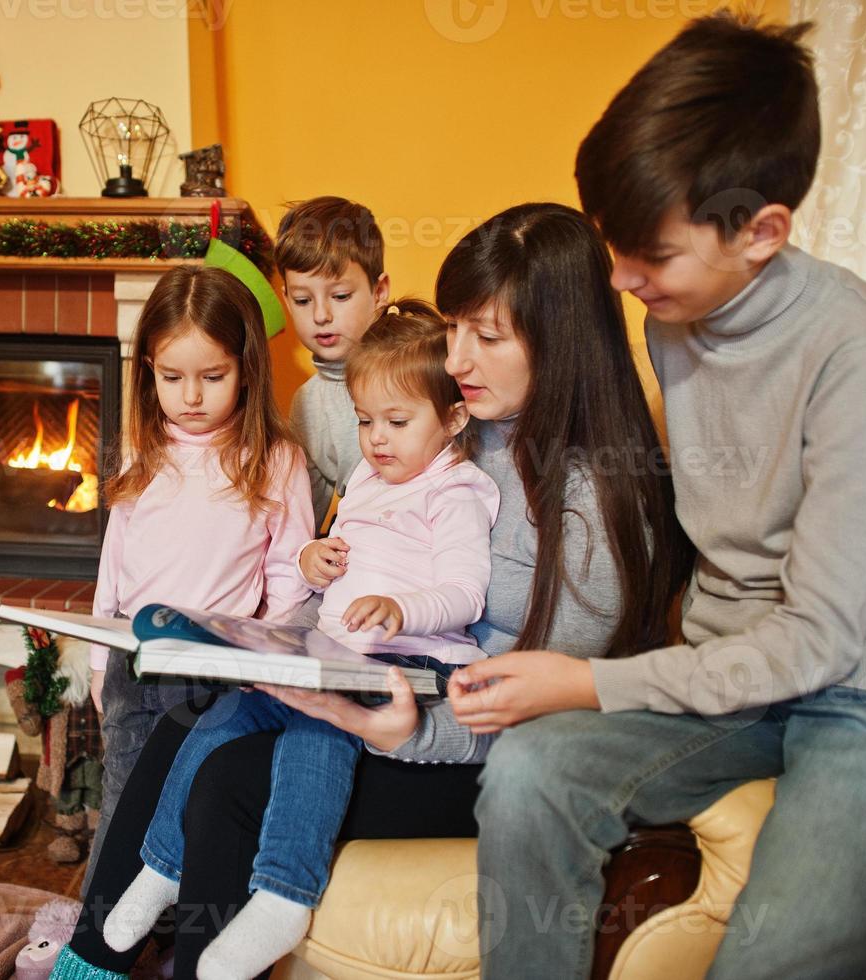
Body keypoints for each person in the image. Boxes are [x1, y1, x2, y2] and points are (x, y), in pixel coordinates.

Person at [459, 13, 866, 978]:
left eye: (649, 256)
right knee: (532, 772)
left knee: (774, 960)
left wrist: (584, 680)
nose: (619, 281)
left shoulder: (862, 358)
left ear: (761, 232)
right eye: (611, 246)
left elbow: (817, 640)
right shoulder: (677, 317)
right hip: (733, 680)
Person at [49, 203, 690, 979]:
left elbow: (540, 718)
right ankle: (92, 959)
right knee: (195, 717)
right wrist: (280, 640)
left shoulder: (594, 504)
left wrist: (407, 732)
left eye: (485, 337)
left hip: (479, 746)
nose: (456, 359)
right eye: (453, 329)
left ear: (560, 342)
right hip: (395, 679)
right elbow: (361, 560)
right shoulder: (442, 427)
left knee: (232, 778)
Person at [97, 303, 500, 978]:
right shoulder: (371, 481)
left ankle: (285, 892)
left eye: (397, 423)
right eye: (365, 421)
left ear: (454, 419)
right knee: (224, 711)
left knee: (316, 736)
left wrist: (403, 610)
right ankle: (162, 864)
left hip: (407, 662)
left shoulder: (455, 491)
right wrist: (319, 558)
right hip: (338, 652)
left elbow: (466, 593)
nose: (375, 439)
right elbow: (338, 557)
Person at [83, 265, 315, 888]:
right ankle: (94, 942)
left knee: (186, 816)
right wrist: (96, 654)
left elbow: (289, 579)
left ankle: (178, 936)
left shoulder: (275, 460)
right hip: (133, 662)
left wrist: (261, 667)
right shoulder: (143, 447)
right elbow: (116, 560)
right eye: (171, 377)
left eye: (213, 378)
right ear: (148, 372)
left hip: (216, 671)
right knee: (122, 803)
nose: (191, 396)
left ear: (246, 369)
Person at [278, 196, 391, 532]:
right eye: (302, 300)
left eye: (340, 296)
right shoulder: (308, 404)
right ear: (286, 299)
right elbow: (304, 518)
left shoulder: (417, 368)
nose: (321, 315)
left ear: (379, 291)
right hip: (363, 546)